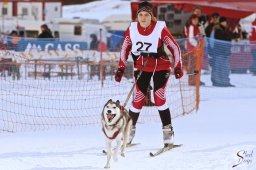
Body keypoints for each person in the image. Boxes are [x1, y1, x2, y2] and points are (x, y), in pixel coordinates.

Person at [114, 1, 183, 147]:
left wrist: (178, 66)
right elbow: (125, 48)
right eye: (140, 15)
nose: (143, 18)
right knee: (138, 99)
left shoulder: (159, 28)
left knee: (159, 98)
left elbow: (174, 47)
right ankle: (129, 133)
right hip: (142, 67)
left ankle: (168, 133)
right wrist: (121, 67)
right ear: (137, 16)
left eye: (146, 15)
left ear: (151, 16)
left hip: (161, 66)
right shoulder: (132, 29)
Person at [212, 17, 234, 87]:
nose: (225, 23)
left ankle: (225, 81)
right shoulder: (218, 30)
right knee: (221, 68)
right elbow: (222, 39)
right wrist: (229, 35)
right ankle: (220, 82)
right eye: (224, 22)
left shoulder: (224, 30)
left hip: (224, 53)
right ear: (221, 22)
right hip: (219, 52)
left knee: (225, 68)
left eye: (226, 22)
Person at [185, 14, 201, 85]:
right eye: (194, 19)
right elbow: (191, 39)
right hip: (192, 50)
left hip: (195, 49)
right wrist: (197, 45)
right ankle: (192, 80)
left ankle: (195, 79)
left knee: (196, 66)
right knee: (192, 66)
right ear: (191, 20)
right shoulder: (191, 27)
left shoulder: (196, 27)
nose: (196, 21)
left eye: (197, 19)